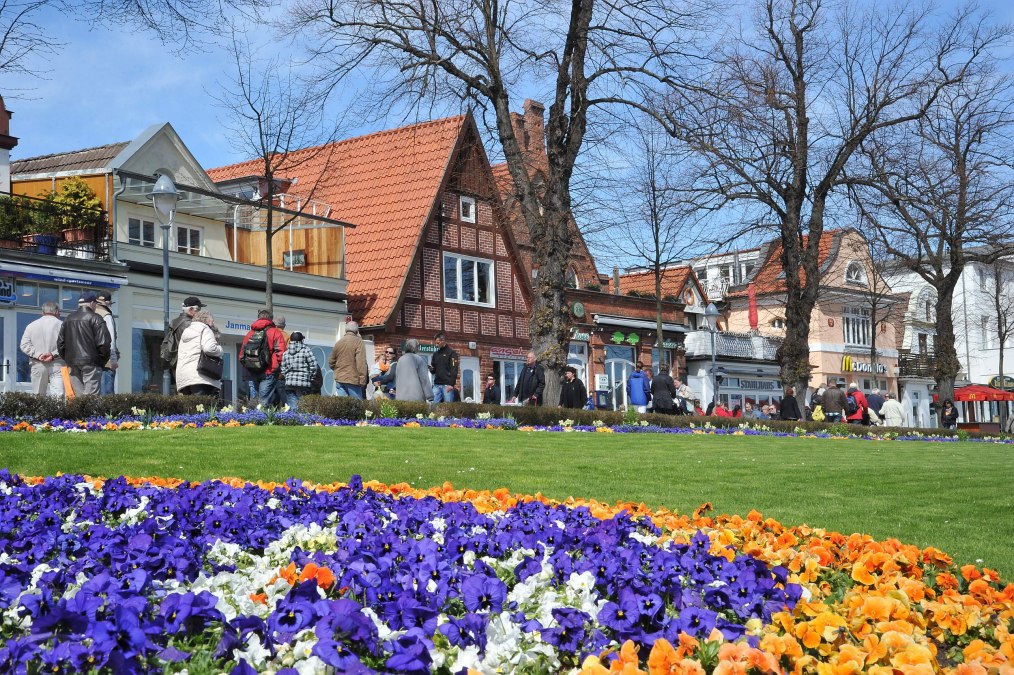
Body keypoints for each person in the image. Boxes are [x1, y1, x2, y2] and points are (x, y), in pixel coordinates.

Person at [57, 293, 111, 396]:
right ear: (92, 303)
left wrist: (67, 359)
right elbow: (104, 343)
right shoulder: (96, 318)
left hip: (72, 362)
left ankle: (81, 408)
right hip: (91, 362)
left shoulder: (68, 319)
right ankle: (88, 408)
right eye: (95, 304)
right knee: (91, 396)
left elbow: (60, 343)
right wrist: (102, 362)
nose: (96, 307)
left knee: (79, 397)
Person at [240, 309, 287, 406]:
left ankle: (257, 412)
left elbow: (241, 356)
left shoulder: (250, 333)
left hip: (254, 370)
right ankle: (259, 415)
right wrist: (277, 368)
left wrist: (250, 367)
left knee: (261, 397)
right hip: (269, 371)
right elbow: (281, 353)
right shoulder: (275, 332)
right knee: (263, 401)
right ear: (271, 319)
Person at [19, 302, 65, 397]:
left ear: (42, 312)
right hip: (57, 363)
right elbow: (68, 345)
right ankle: (58, 408)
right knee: (59, 395)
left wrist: (38, 355)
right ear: (56, 312)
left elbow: (24, 345)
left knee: (38, 395)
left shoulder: (31, 326)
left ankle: (39, 408)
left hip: (38, 363)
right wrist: (53, 354)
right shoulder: (62, 325)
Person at [175, 310, 223, 397]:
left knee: (190, 405)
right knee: (202, 404)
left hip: (184, 376)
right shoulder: (205, 329)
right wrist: (220, 350)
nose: (213, 323)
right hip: (200, 376)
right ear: (206, 320)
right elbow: (209, 348)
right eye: (212, 320)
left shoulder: (186, 331)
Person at [161, 296, 205, 378]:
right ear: (191, 310)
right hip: (187, 364)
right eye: (198, 310)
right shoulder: (189, 324)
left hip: (178, 363)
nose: (199, 313)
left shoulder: (176, 321)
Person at [328, 321, 370, 399]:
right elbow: (361, 362)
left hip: (340, 378)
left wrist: (338, 370)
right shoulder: (358, 342)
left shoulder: (339, 342)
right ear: (357, 331)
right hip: (353, 379)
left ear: (346, 330)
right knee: (356, 404)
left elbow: (331, 362)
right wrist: (362, 379)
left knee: (343, 404)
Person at [280, 332, 319, 409]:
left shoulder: (286, 353)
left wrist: (287, 377)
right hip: (303, 383)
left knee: (293, 407)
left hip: (289, 384)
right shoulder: (306, 350)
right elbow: (314, 365)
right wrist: (311, 377)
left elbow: (283, 369)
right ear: (301, 340)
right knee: (303, 407)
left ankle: (294, 416)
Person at [93, 290, 119, 395]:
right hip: (105, 359)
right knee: (107, 392)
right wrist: (113, 359)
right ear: (108, 303)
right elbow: (111, 339)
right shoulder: (106, 315)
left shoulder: (90, 314)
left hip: (90, 359)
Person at [429, 333, 459, 402]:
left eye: (438, 343)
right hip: (436, 384)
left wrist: (451, 384)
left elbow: (454, 369)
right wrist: (431, 369)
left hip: (447, 385)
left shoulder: (452, 353)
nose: (436, 345)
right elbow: (434, 370)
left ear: (443, 341)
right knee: (432, 405)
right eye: (435, 343)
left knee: (448, 406)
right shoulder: (435, 354)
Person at [272, 315, 290, 404]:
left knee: (270, 402)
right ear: (284, 326)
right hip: (281, 374)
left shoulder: (269, 334)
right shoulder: (287, 337)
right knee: (285, 402)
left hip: (269, 372)